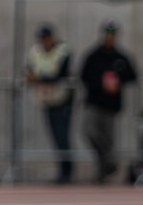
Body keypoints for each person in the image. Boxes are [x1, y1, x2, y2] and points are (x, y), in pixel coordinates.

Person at [80, 19, 137, 184]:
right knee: (90, 131)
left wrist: (117, 82)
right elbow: (84, 76)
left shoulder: (120, 57)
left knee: (109, 138)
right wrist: (101, 84)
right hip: (94, 102)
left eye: (113, 34)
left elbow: (133, 75)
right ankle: (109, 161)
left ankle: (103, 172)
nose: (110, 37)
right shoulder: (93, 55)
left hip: (111, 105)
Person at [25, 24, 73, 184]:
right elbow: (29, 70)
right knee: (55, 136)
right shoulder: (36, 52)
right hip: (47, 100)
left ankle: (67, 172)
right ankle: (62, 171)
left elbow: (60, 75)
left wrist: (39, 78)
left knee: (63, 136)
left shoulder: (63, 51)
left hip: (62, 100)